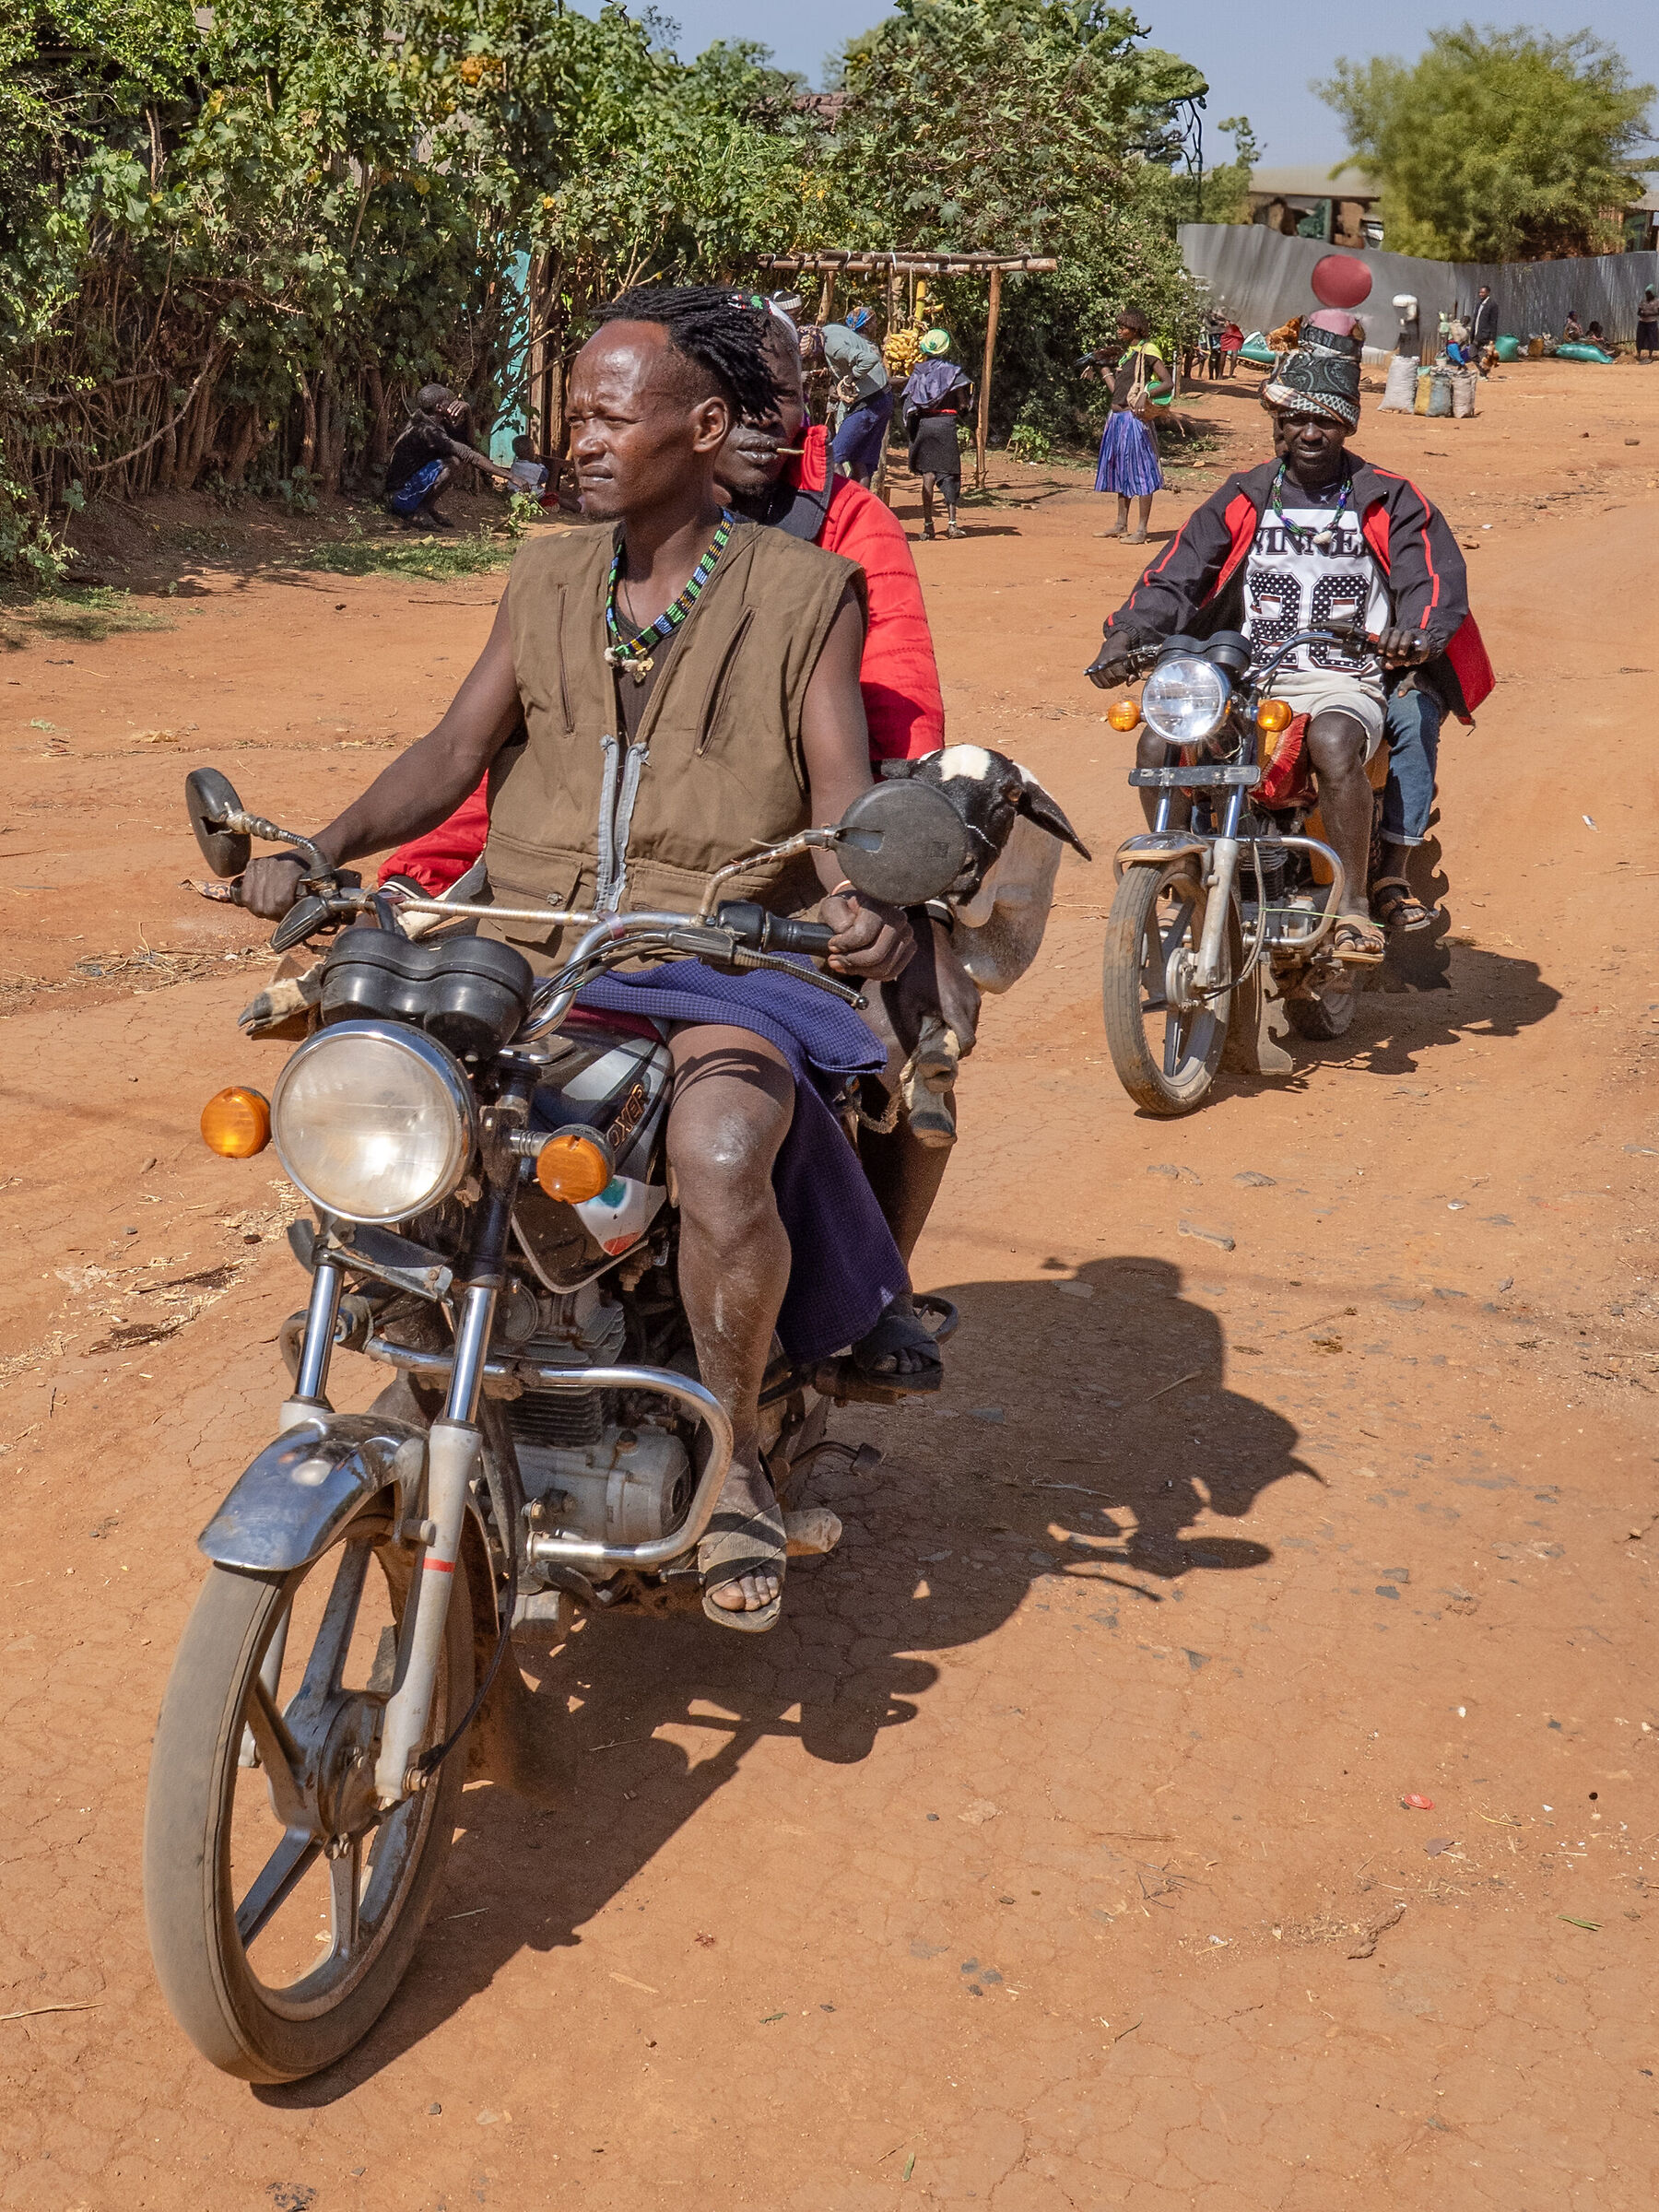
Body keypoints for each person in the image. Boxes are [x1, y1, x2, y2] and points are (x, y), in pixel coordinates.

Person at [240, 287, 921, 1633]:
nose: (582, 439)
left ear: (704, 428)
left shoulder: (805, 593)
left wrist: (856, 897)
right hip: (537, 947)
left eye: (613, 416)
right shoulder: (548, 574)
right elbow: (448, 758)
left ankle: (729, 1466)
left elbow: (842, 801)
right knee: (393, 1105)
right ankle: (446, 1383)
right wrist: (314, 853)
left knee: (723, 1149)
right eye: (575, 416)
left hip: (727, 950)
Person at [1085, 319, 1494, 960]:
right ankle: (1185, 868)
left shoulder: (1388, 498)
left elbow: (1432, 579)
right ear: (1276, 424)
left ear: (1348, 426)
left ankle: (1356, 904)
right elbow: (1177, 574)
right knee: (1161, 736)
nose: (1309, 432)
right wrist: (1126, 636)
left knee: (1334, 742)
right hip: (1245, 673)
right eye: (1297, 418)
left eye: (1326, 421)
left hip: (1345, 675)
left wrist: (1417, 633)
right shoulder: (1244, 494)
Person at [1085, 308, 1171, 545]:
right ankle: (1121, 524)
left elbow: (1167, 382)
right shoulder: (1127, 355)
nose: (1119, 330)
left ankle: (1142, 530)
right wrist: (1103, 370)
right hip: (1118, 419)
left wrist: (1145, 392)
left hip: (1134, 421)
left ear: (1136, 328)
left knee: (1141, 470)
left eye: (1123, 327)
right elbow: (1118, 393)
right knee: (1121, 471)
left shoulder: (1148, 351)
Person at [384, 386, 512, 529]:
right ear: (439, 407)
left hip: (407, 493)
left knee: (455, 460)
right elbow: (469, 454)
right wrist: (512, 477)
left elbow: (469, 443)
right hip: (401, 498)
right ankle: (420, 512)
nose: (455, 402)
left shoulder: (434, 419)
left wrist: (468, 411)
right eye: (450, 401)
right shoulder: (427, 431)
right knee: (453, 463)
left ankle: (426, 508)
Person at [901, 328, 972, 540]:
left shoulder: (918, 371)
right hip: (945, 425)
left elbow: (909, 399)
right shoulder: (953, 373)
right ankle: (951, 525)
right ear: (946, 347)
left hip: (924, 425)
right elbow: (962, 403)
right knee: (949, 473)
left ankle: (928, 526)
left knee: (928, 474)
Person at [813, 306, 893, 487]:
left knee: (833, 456)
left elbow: (868, 360)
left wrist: (849, 379)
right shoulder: (831, 331)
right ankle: (859, 507)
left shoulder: (833, 346)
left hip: (867, 404)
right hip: (881, 400)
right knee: (860, 462)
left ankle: (842, 501)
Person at [1471, 285, 1496, 358]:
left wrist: (1492, 339)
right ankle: (1484, 368)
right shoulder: (1479, 304)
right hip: (1476, 334)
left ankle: (1484, 368)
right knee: (1472, 354)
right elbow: (1476, 319)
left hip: (1485, 336)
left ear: (1488, 293)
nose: (1480, 294)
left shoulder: (1492, 305)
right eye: (1480, 292)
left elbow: (1493, 322)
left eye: (1483, 293)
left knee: (1481, 355)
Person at [1639, 288, 1659, 362]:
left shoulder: (1657, 301)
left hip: (1652, 322)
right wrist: (1642, 314)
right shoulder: (1643, 301)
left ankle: (1650, 355)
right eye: (1646, 293)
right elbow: (1638, 312)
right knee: (1640, 338)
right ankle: (1639, 354)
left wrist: (1649, 314)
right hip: (1642, 322)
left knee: (1651, 338)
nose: (1647, 295)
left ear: (1653, 293)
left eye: (1649, 293)